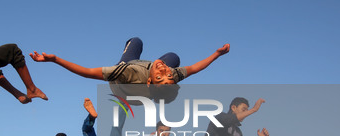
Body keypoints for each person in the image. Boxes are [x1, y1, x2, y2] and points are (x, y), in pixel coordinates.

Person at [29, 37, 229, 85]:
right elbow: (195, 68)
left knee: (136, 41)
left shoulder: (127, 72)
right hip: (145, 78)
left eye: (160, 75)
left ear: (150, 82)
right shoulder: (171, 74)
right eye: (167, 73)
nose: (164, 69)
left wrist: (55, 59)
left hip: (126, 71)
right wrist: (217, 54)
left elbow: (87, 72)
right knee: (174, 57)